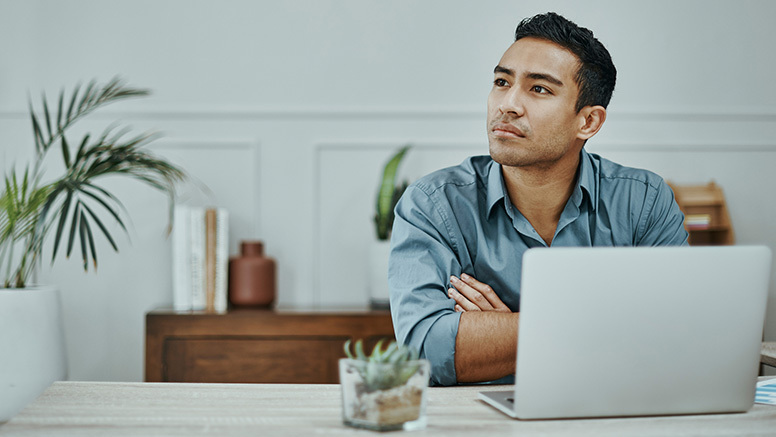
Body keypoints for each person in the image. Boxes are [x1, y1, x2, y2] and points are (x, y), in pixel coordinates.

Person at [388, 12, 689, 386]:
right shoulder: (434, 204)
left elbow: (673, 342)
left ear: (589, 122)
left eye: (539, 89)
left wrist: (508, 326)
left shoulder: (643, 201)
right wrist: (603, 325)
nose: (508, 104)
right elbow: (426, 352)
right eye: (501, 82)